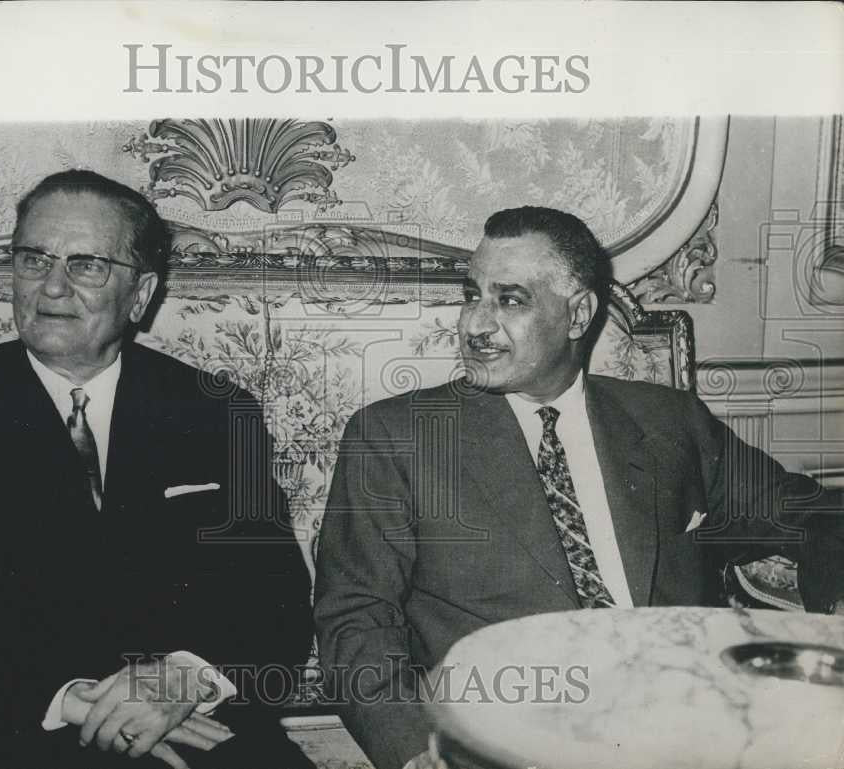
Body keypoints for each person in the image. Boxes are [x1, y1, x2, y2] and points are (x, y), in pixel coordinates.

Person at [313, 206, 844, 769]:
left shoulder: (668, 421)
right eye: (472, 295)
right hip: (511, 739)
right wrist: (420, 751)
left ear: (578, 314)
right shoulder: (399, 437)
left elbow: (809, 513)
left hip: (685, 730)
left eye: (510, 300)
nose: (475, 324)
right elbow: (355, 620)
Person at [0, 170, 314, 769]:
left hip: (191, 723)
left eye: (87, 265)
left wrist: (187, 678)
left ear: (141, 293)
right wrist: (73, 699)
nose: (51, 288)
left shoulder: (215, 411)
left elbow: (276, 603)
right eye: (33, 260)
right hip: (0, 729)